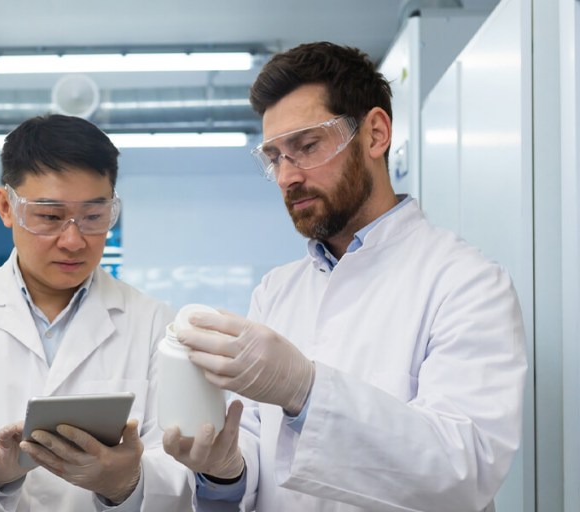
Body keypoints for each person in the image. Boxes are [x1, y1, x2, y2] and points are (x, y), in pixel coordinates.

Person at [162, 42, 527, 511]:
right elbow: (252, 443)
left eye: (306, 146)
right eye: (274, 157)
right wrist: (224, 472)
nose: (286, 177)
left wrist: (304, 390)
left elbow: (463, 471)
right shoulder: (276, 290)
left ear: (375, 134)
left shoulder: (468, 283)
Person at [0, 114, 193, 510]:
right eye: (50, 217)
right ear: (7, 207)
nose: (74, 240)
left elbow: (184, 461)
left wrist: (127, 482)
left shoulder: (154, 323)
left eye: (94, 217)